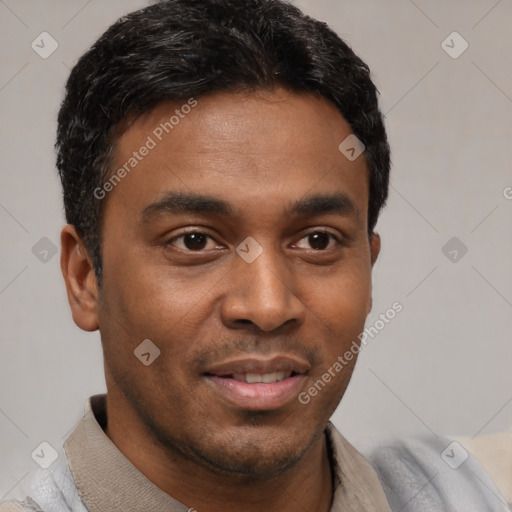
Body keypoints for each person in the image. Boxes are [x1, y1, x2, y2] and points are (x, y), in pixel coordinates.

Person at [0, 1, 509, 511]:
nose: (268, 306)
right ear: (85, 277)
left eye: (317, 240)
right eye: (194, 241)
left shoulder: (479, 492)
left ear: (369, 269)